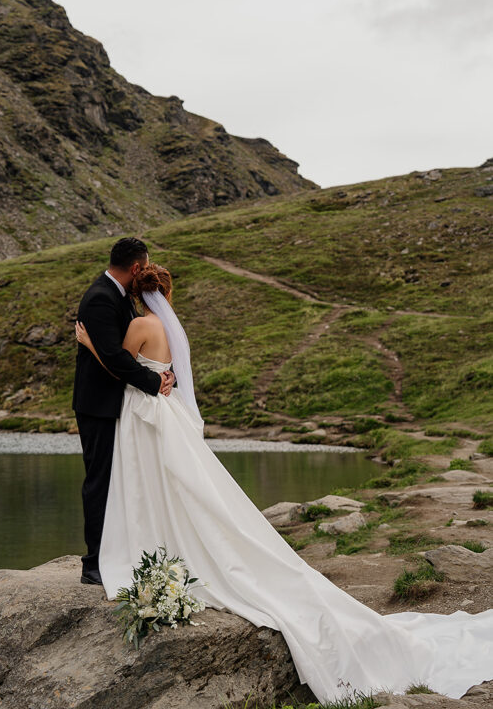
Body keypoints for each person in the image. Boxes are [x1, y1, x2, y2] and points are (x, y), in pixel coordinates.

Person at [75, 261, 493, 703]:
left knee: (152, 485)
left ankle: (154, 544)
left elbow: (118, 364)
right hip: (164, 413)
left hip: (145, 416)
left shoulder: (140, 324)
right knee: (181, 487)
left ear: (137, 292)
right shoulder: (170, 327)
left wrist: (89, 342)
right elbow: (162, 373)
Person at [72, 237, 176, 585]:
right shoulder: (101, 298)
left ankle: (121, 551)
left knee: (123, 480)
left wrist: (165, 376)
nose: (144, 275)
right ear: (135, 268)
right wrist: (153, 380)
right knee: (100, 481)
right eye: (143, 268)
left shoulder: (120, 297)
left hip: (120, 404)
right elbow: (116, 359)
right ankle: (93, 564)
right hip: (99, 406)